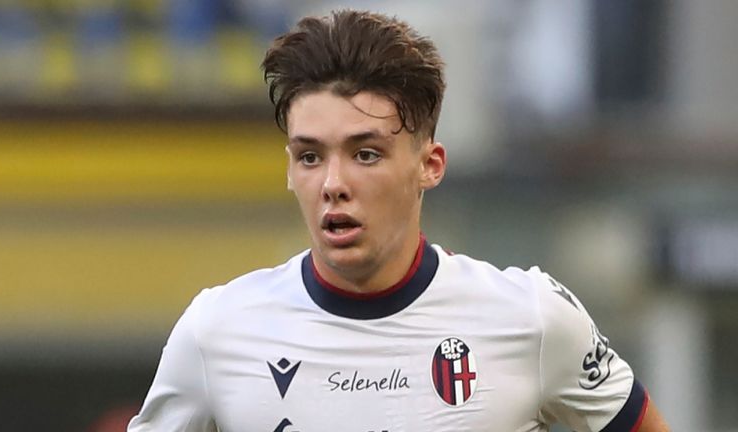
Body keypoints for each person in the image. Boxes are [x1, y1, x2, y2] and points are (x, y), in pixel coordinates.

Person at [128, 9, 670, 432]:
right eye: (310, 156)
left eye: (365, 154)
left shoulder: (531, 317)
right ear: (291, 171)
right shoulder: (217, 330)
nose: (333, 183)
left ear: (428, 166)